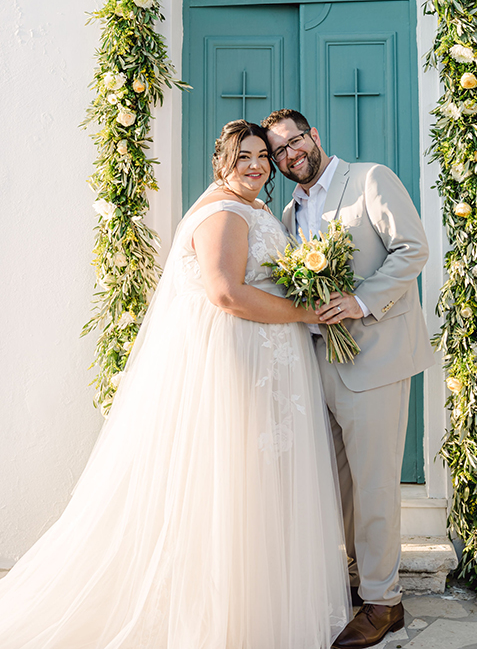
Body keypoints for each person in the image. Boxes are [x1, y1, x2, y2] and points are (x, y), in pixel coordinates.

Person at [0, 120, 350, 649]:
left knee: (260, 485)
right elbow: (226, 294)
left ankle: (261, 603)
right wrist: (307, 311)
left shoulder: (256, 210)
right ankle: (225, 618)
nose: (255, 165)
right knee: (236, 482)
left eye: (262, 154)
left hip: (270, 357)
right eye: (243, 156)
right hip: (241, 359)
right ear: (222, 163)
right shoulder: (224, 213)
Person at [262, 109, 435, 649]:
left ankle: (385, 603)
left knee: (377, 484)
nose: (291, 155)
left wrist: (360, 301)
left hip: (377, 359)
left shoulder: (370, 179)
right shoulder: (289, 214)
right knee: (339, 486)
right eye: (279, 152)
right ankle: (362, 581)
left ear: (314, 136)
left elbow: (414, 249)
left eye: (295, 142)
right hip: (322, 363)